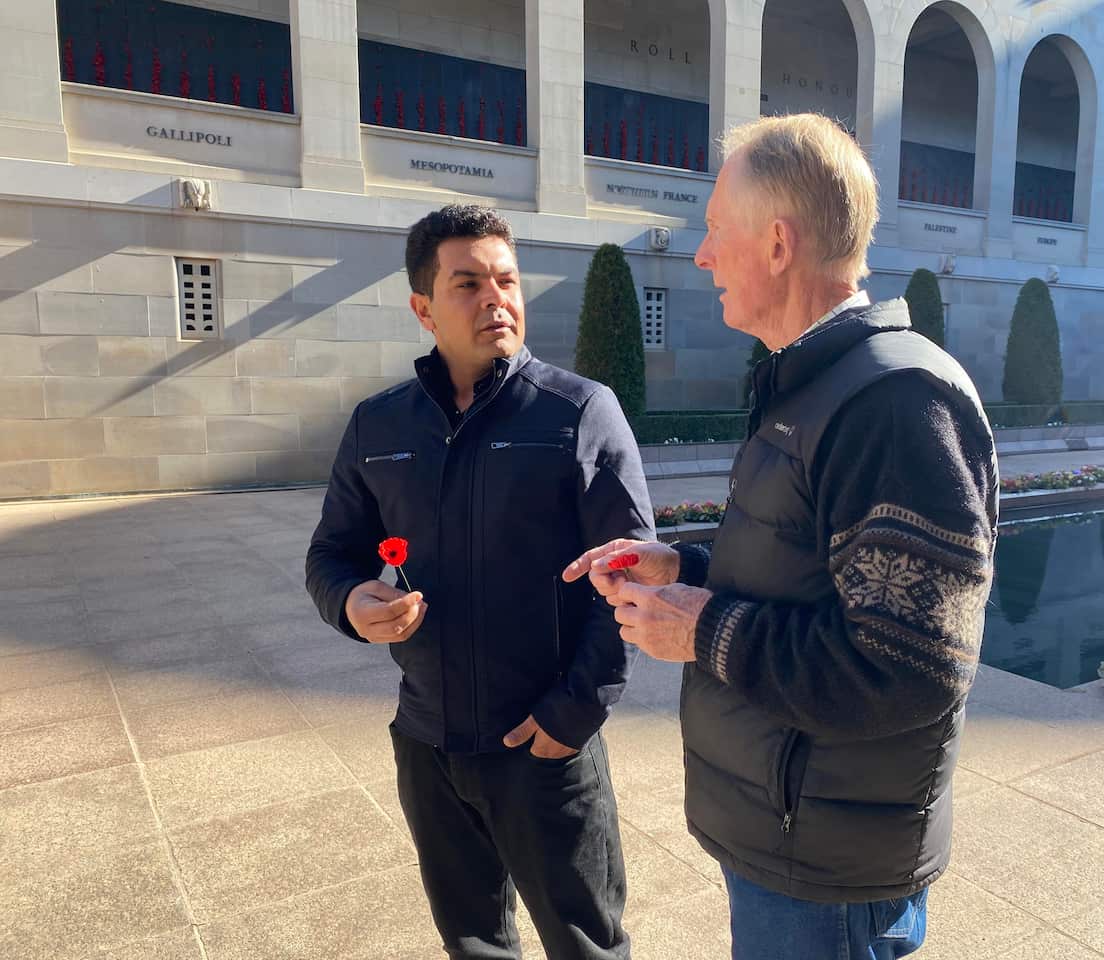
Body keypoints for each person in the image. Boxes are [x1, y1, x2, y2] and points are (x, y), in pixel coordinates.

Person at [564, 114, 999, 960]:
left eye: (713, 231)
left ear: (775, 243)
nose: (699, 255)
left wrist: (699, 627)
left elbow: (907, 667)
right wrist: (685, 564)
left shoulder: (895, 405)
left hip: (828, 872)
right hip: (792, 835)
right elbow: (809, 574)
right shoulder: (815, 383)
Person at [306, 204, 653, 960]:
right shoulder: (379, 426)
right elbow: (331, 553)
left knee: (586, 946)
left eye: (506, 280)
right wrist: (351, 603)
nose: (496, 298)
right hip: (428, 744)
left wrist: (573, 714)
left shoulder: (578, 413)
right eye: (468, 283)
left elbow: (629, 576)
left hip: (544, 749)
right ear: (422, 308)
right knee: (473, 944)